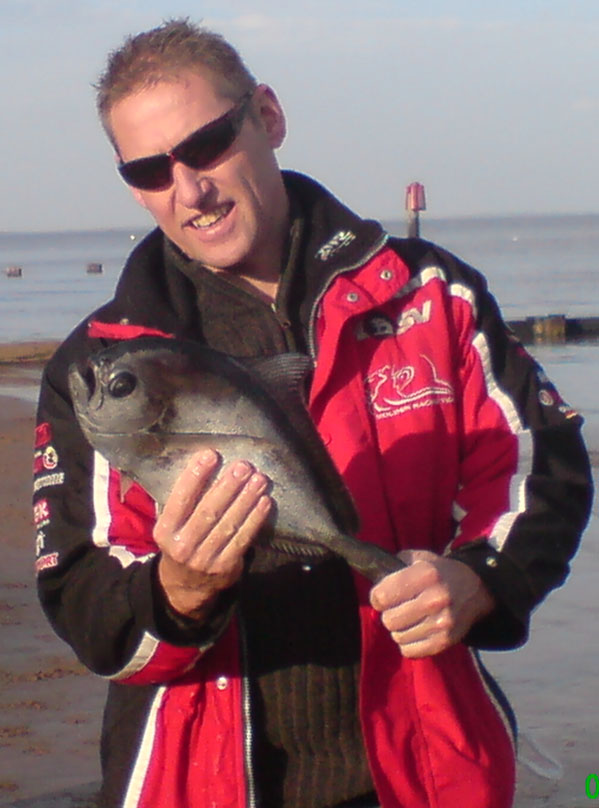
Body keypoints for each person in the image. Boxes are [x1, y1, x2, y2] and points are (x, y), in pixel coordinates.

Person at [33, 19, 592, 808]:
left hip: (428, 770)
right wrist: (180, 588)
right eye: (151, 169)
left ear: (267, 115)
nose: (188, 188)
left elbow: (545, 465)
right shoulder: (95, 366)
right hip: (195, 781)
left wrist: (480, 579)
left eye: (206, 144)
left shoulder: (432, 295)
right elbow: (87, 613)